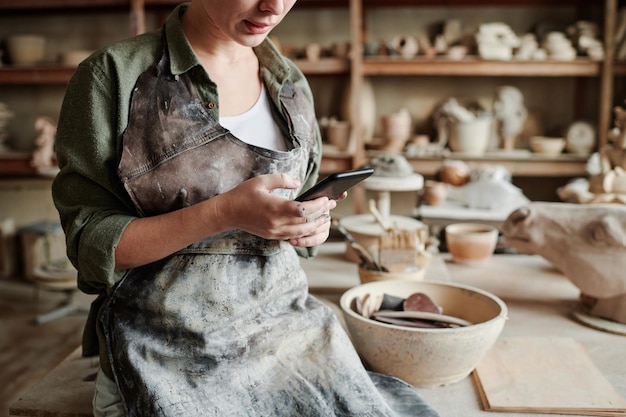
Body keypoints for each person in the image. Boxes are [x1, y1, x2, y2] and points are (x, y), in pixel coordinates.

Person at [52, 1, 439, 416]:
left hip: (283, 333)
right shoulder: (113, 77)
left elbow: (300, 208)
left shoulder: (289, 82)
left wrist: (312, 225)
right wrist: (222, 213)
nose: (273, 7)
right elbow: (91, 247)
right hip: (165, 347)